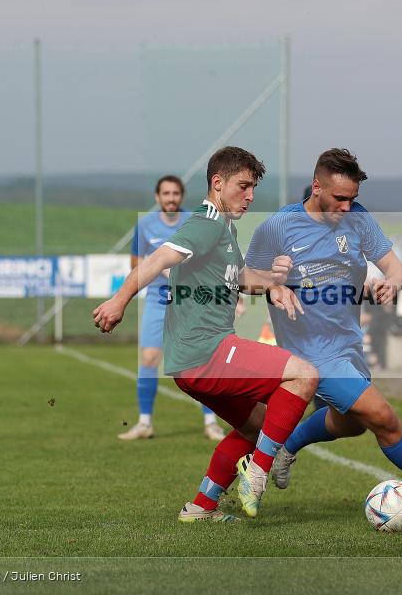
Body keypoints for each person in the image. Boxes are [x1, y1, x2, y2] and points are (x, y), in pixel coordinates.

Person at [245, 148, 402, 517]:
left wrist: (390, 283)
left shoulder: (358, 219)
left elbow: (397, 268)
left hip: (348, 346)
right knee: (384, 418)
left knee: (350, 424)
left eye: (352, 199)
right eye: (340, 198)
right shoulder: (279, 226)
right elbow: (246, 279)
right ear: (316, 187)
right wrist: (273, 284)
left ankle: (287, 444)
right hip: (309, 353)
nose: (346, 206)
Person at [93, 146, 319, 522]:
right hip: (208, 352)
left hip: (191, 364)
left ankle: (202, 506)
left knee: (257, 425)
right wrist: (119, 300)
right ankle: (257, 474)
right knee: (305, 374)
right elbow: (157, 260)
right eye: (242, 186)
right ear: (218, 183)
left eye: (253, 188)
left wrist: (273, 285)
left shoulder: (223, 228)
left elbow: (240, 277)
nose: (249, 196)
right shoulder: (206, 223)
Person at [118, 175, 226, 442]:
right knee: (149, 359)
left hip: (190, 301)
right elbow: (137, 263)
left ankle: (211, 422)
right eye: (165, 193)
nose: (171, 198)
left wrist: (180, 273)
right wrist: (158, 270)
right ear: (158, 197)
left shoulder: (195, 222)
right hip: (157, 301)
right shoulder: (145, 225)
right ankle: (145, 423)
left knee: (201, 361)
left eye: (175, 193)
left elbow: (208, 260)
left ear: (182, 196)